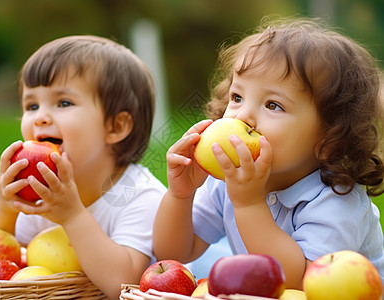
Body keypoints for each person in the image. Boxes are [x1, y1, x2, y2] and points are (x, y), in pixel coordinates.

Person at [153, 17, 384, 290]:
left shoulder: (336, 200)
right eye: (237, 97)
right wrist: (180, 194)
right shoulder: (228, 179)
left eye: (273, 105)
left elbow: (300, 284)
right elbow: (174, 254)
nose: (244, 116)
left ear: (328, 140)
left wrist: (249, 204)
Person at [0, 35, 166, 299]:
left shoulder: (138, 195)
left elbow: (124, 286)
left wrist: (72, 216)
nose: (41, 117)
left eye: (64, 103)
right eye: (31, 105)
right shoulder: (41, 192)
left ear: (116, 127)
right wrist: (4, 205)